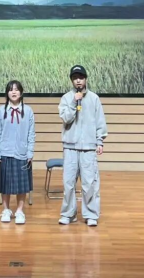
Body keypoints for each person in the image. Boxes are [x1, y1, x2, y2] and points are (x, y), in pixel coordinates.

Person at [58, 65, 107, 227]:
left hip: (88, 148)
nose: (78, 81)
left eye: (81, 77)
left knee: (90, 184)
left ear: (85, 79)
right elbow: (66, 118)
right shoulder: (66, 98)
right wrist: (74, 101)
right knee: (68, 184)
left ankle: (91, 214)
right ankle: (68, 214)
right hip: (70, 147)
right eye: (75, 78)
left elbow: (100, 122)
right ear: (72, 80)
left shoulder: (94, 98)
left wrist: (99, 141)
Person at [0, 80, 35, 224]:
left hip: (22, 153)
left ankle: (19, 211)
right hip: (5, 152)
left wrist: (30, 152)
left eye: (16, 89)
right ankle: (6, 210)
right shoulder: (1, 111)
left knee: (22, 186)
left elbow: (31, 133)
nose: (14, 92)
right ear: (7, 93)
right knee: (5, 184)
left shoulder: (28, 111)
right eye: (11, 89)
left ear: (21, 92)